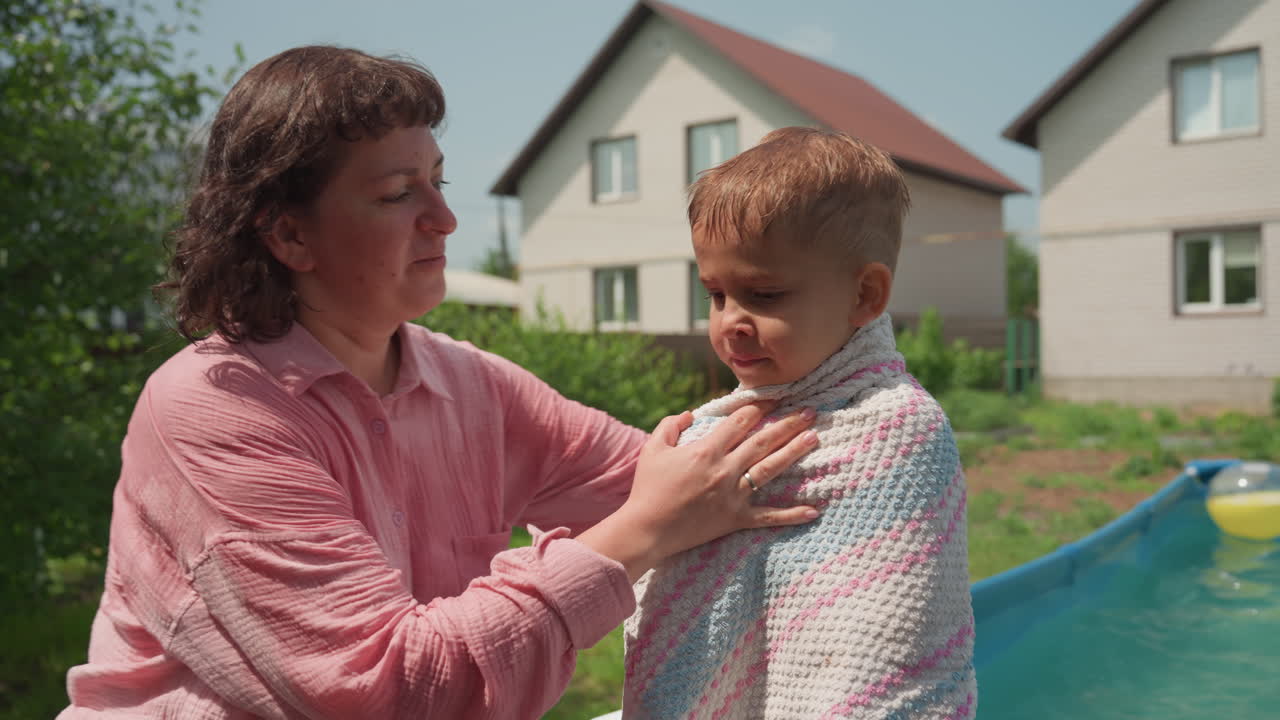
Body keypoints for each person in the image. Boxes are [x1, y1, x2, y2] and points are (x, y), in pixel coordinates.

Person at [58, 46, 824, 720]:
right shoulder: (216, 407)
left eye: (439, 181)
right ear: (289, 233)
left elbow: (702, 480)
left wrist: (869, 411)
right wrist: (642, 533)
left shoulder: (470, 384)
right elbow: (383, 691)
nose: (447, 218)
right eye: (399, 194)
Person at [623, 128, 975, 719]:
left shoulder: (899, 431)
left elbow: (892, 633)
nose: (731, 321)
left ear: (864, 295)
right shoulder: (715, 437)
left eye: (764, 294)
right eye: (715, 294)